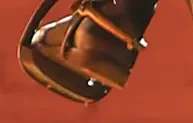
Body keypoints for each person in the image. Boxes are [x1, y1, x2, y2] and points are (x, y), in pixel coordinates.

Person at [20, 0, 158, 100]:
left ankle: (96, 29)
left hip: (96, 33)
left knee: (42, 39)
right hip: (124, 40)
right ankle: (119, 24)